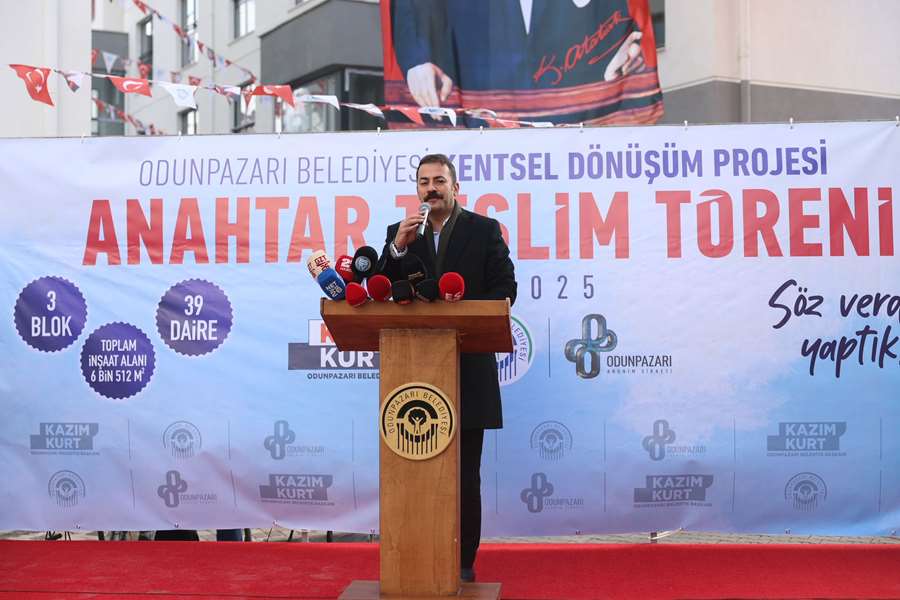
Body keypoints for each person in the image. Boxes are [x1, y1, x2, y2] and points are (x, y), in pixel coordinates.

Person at [379, 154, 517, 582]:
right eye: (424, 182)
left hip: (469, 370)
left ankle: (463, 563)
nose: (431, 188)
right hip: (413, 373)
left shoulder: (483, 229)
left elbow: (506, 288)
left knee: (464, 475)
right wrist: (397, 249)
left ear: (455, 188)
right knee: (415, 471)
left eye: (439, 180)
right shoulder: (400, 233)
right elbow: (381, 289)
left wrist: (463, 307)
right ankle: (416, 555)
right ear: (417, 189)